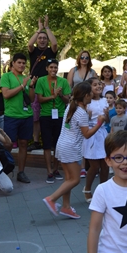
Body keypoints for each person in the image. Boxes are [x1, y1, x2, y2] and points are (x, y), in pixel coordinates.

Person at [42, 82, 106, 220]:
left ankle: (66, 207)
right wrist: (99, 122)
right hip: (71, 148)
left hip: (62, 145)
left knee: (68, 178)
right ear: (85, 95)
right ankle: (52, 199)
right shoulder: (81, 112)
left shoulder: (71, 107)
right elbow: (87, 134)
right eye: (90, 93)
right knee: (75, 180)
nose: (92, 95)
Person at [0, 53, 36, 184]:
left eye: (23, 63)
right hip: (12, 116)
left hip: (26, 115)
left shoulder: (26, 78)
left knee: (23, 144)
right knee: (8, 144)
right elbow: (6, 94)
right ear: (13, 63)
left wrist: (31, 86)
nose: (21, 65)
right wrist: (22, 86)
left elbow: (31, 99)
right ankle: (5, 171)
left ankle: (21, 172)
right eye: (19, 62)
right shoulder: (6, 76)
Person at [36, 59, 71, 184]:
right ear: (47, 68)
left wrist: (60, 95)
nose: (53, 70)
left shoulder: (63, 81)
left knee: (58, 144)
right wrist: (53, 96)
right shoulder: (41, 81)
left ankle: (56, 169)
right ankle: (49, 171)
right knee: (46, 144)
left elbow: (68, 100)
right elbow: (39, 99)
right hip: (46, 115)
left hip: (60, 115)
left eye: (55, 67)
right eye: (51, 67)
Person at [28, 16, 59, 149]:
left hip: (49, 87)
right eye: (40, 38)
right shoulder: (33, 51)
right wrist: (39, 30)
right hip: (35, 86)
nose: (41, 40)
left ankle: (51, 140)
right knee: (36, 117)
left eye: (44, 38)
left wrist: (47, 28)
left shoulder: (50, 52)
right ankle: (36, 141)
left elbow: (55, 44)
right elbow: (29, 44)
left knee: (49, 115)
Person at [83, 78, 110, 203]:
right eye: (95, 85)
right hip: (91, 133)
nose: (98, 86)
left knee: (105, 164)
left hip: (103, 134)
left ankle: (103, 192)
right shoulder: (87, 102)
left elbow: (108, 121)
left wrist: (107, 115)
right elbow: (84, 121)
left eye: (99, 84)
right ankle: (87, 189)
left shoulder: (105, 100)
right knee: (94, 166)